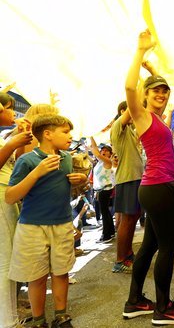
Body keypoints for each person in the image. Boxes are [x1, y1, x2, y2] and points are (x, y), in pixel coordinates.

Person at [122, 30, 174, 325]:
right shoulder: (142, 116)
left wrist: (155, 72)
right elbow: (129, 87)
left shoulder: (161, 121)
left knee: (151, 246)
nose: (162, 95)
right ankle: (163, 308)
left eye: (163, 92)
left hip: (156, 188)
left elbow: (171, 94)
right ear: (146, 96)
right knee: (168, 246)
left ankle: (135, 301)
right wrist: (140, 53)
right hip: (157, 188)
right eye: (156, 92)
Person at [6, 114, 88, 328]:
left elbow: (62, 190)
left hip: (61, 223)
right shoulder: (27, 160)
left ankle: (61, 315)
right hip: (32, 226)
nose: (70, 136)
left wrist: (81, 183)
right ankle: (38, 320)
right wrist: (37, 172)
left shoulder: (67, 158)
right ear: (48, 134)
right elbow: (10, 196)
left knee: (61, 272)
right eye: (65, 132)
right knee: (37, 276)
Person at [0, 93, 33, 328]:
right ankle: (8, 321)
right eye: (9, 108)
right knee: (4, 261)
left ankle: (10, 316)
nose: (13, 113)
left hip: (7, 197)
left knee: (8, 258)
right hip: (1, 200)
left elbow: (15, 163)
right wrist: (13, 142)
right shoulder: (6, 139)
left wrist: (17, 142)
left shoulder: (6, 137)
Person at [110, 101, 144, 273]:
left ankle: (128, 253)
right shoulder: (118, 127)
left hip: (137, 178)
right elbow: (133, 105)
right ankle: (119, 260)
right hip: (127, 179)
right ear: (123, 111)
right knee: (127, 219)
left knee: (134, 217)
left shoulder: (132, 131)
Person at [89, 137, 115, 243]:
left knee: (104, 212)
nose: (103, 152)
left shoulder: (108, 161)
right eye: (102, 150)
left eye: (106, 151)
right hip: (100, 190)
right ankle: (111, 231)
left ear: (110, 154)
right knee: (106, 212)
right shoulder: (99, 162)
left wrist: (91, 136)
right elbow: (95, 151)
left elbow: (95, 150)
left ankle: (106, 235)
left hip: (105, 189)